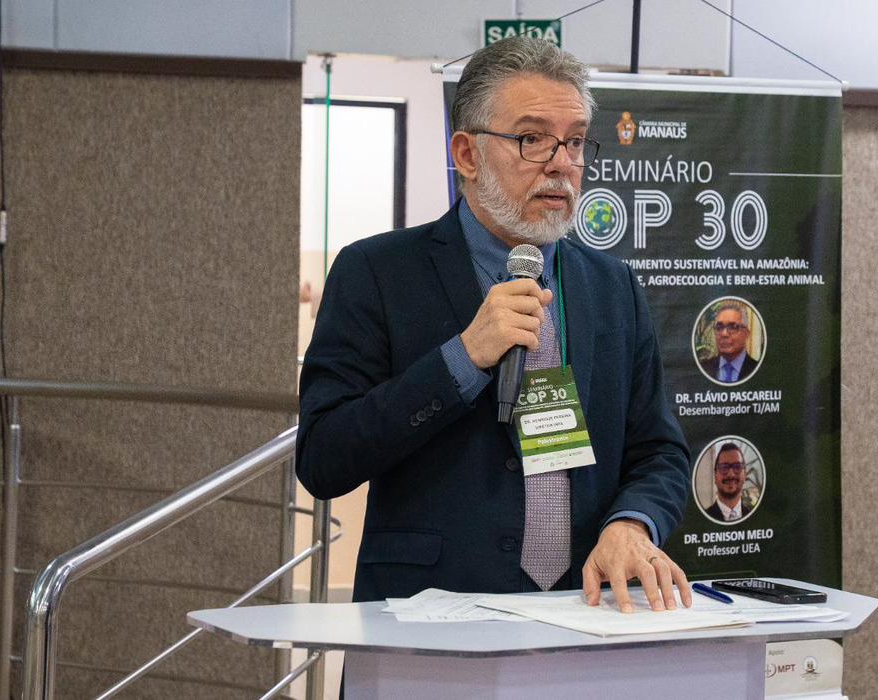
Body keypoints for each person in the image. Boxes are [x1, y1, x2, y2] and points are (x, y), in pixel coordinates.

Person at [296, 36, 692, 614]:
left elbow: (660, 452)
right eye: (532, 139)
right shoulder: (376, 272)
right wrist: (463, 358)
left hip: (584, 614)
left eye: (575, 141)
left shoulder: (612, 287)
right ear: (467, 154)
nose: (561, 163)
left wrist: (632, 523)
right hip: (427, 617)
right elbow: (324, 459)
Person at [701, 303, 759, 383]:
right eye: (719, 327)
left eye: (733, 327)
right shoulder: (703, 368)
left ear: (746, 334)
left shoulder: (758, 369)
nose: (724, 334)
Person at [704, 442, 752, 522]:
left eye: (737, 467)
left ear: (745, 475)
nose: (731, 474)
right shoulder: (702, 520)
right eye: (724, 467)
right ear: (715, 476)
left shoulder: (757, 518)